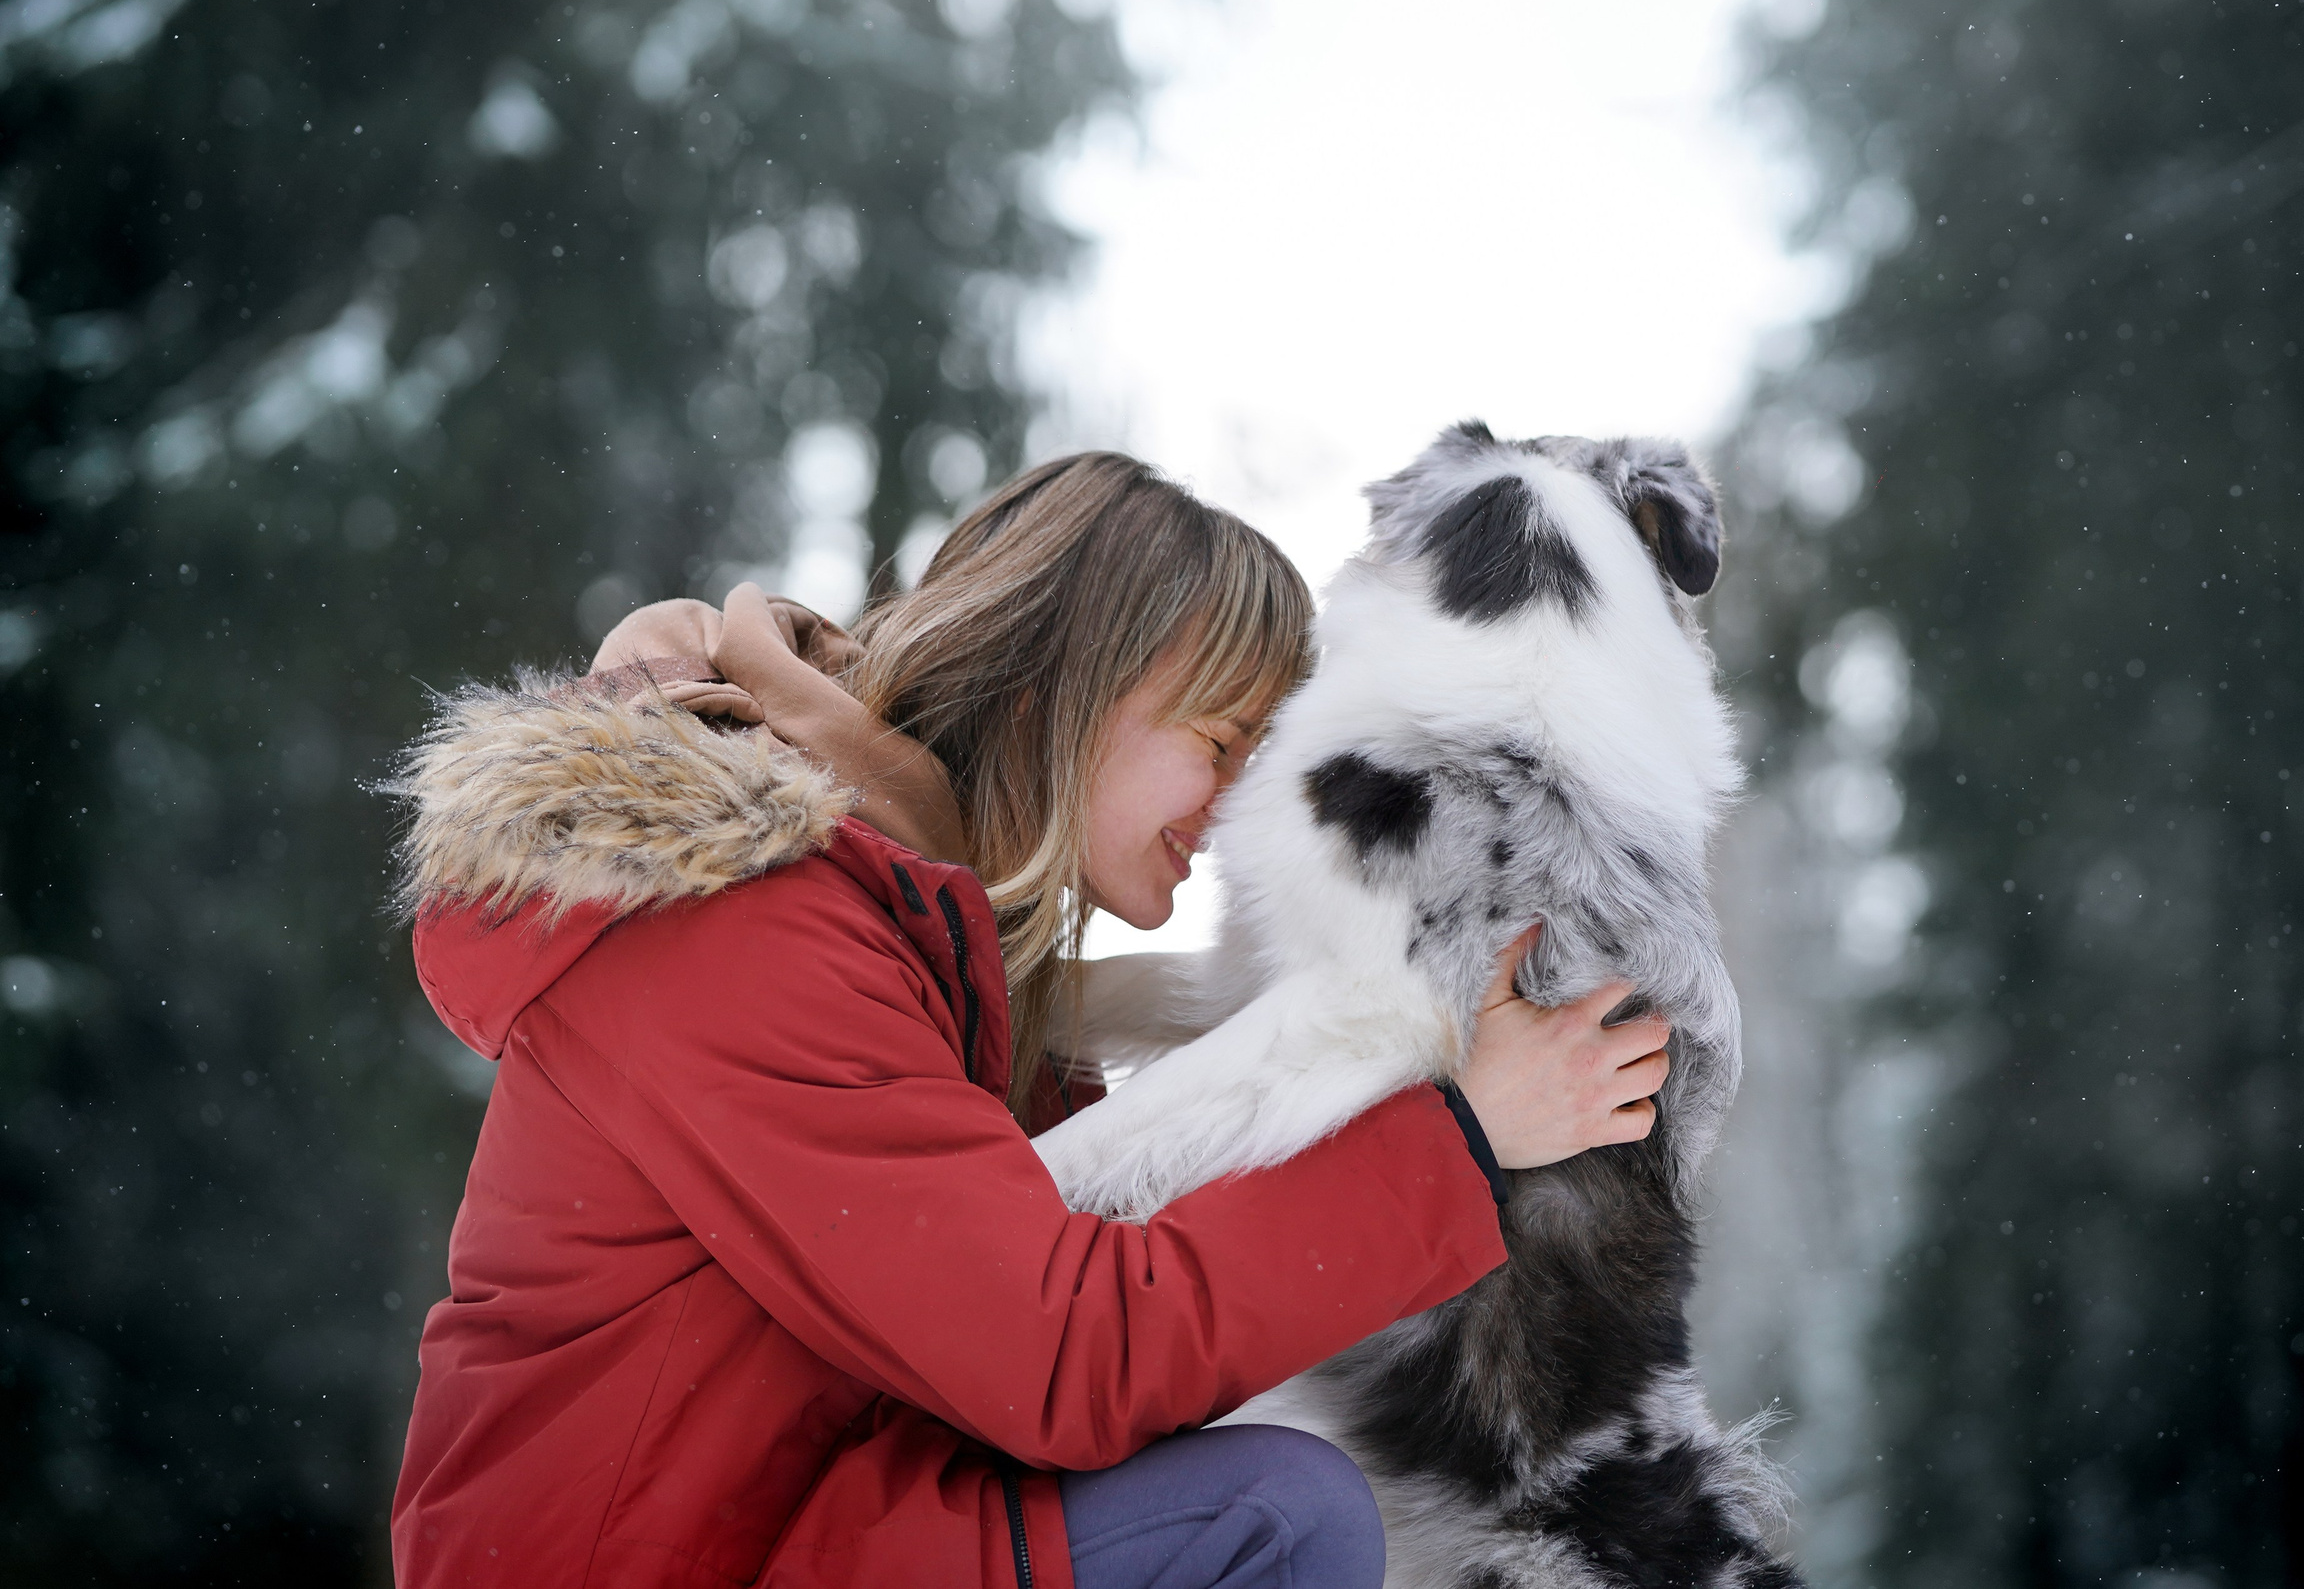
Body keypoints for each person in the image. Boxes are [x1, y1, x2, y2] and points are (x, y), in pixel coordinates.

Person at [386, 454, 1672, 1589]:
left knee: (1267, 1488)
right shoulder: (739, 933)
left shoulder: (943, 963)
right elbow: (1063, 1357)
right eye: (1218, 743)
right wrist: (1461, 1139)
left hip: (816, 1528)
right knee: (1270, 1521)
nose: (1231, 811)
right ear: (1061, 689)